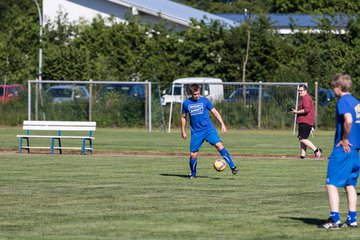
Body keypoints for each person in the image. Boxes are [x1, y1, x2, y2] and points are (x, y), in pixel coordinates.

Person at [320, 74, 360, 229]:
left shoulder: (342, 101)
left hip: (343, 148)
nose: (333, 90)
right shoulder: (356, 102)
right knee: (350, 185)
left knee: (331, 184)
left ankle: (335, 219)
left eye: (333, 87)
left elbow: (348, 120)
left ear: (339, 87)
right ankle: (352, 219)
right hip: (355, 150)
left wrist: (344, 138)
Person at [181, 84, 238, 178]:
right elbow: (183, 117)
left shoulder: (205, 101)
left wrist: (222, 124)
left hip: (208, 129)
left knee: (219, 146)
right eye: (195, 94)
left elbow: (215, 112)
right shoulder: (186, 103)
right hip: (196, 132)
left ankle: (233, 167)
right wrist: (183, 131)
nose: (197, 95)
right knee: (192, 154)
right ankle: (193, 174)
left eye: (198, 93)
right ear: (191, 93)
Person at [291, 84, 322, 159]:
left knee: (302, 138)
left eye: (301, 90)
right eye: (299, 90)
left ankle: (317, 151)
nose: (300, 92)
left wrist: (296, 112)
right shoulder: (305, 98)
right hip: (303, 121)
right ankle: (302, 156)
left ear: (305, 90)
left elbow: (306, 110)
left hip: (306, 121)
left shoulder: (306, 98)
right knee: (302, 139)